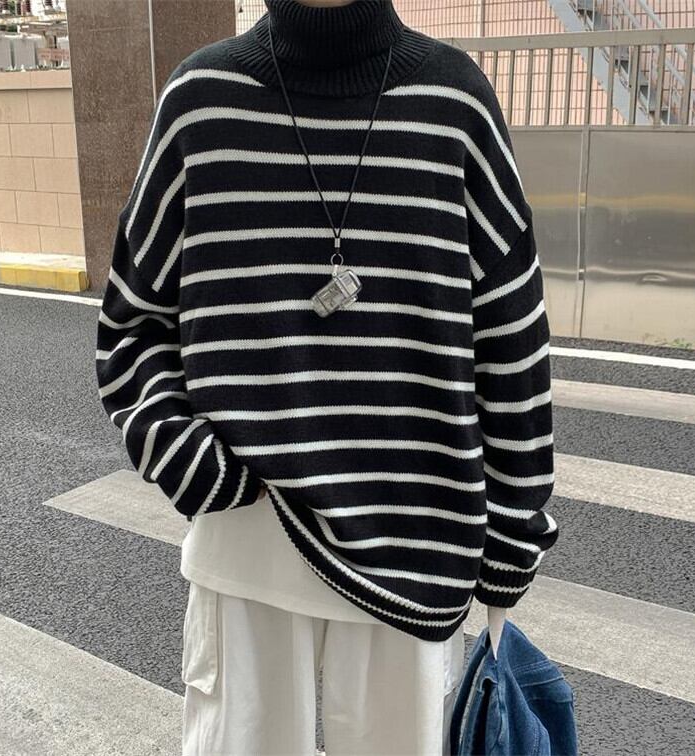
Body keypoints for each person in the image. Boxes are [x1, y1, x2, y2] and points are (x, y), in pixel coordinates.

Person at [95, 0, 560, 753]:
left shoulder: (455, 104)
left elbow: (511, 336)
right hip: (248, 533)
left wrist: (513, 528)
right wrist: (183, 453)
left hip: (418, 548)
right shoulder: (200, 102)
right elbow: (133, 319)